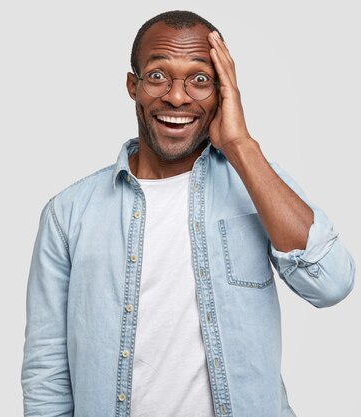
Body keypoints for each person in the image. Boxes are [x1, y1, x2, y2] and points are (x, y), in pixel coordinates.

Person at [21, 10, 355, 417]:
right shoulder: (68, 213)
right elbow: (46, 373)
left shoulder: (253, 182)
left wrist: (240, 145)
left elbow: (332, 284)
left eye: (200, 80)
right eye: (158, 75)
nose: (177, 97)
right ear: (133, 85)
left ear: (222, 92)